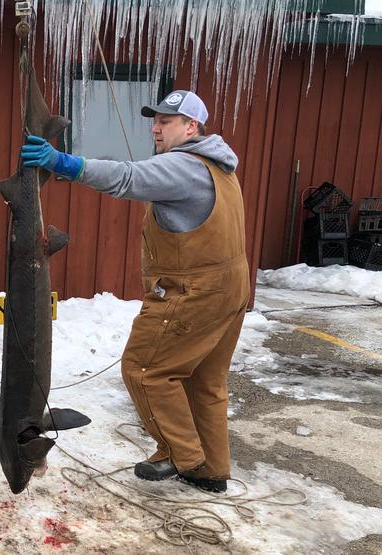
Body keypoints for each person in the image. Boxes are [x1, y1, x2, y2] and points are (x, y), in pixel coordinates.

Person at [20, 90, 249, 493]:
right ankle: (210, 469)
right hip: (230, 290)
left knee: (146, 371)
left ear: (191, 127)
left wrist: (65, 163)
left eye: (166, 122)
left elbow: (127, 177)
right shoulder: (220, 168)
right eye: (154, 121)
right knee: (205, 381)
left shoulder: (183, 166)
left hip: (192, 292)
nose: (156, 129)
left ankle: (181, 455)